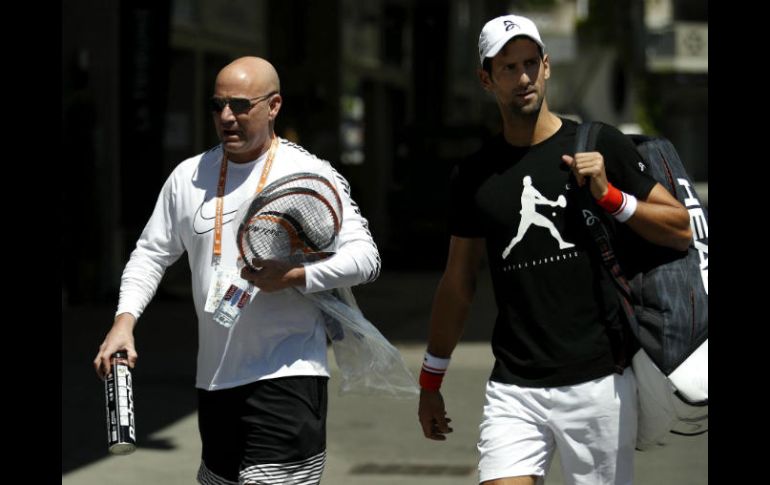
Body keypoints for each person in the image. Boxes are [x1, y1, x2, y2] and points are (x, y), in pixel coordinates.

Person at [417, 14, 692, 485]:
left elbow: (679, 227)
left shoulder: (599, 142)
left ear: (546, 67)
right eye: (508, 68)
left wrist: (611, 196)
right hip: (514, 386)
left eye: (530, 64)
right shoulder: (474, 174)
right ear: (487, 79)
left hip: (598, 383)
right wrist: (431, 379)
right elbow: (458, 282)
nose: (522, 77)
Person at [94, 56, 381, 485]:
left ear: (274, 106)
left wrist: (293, 276)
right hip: (215, 382)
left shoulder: (310, 175)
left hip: (288, 375)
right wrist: (124, 321)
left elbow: (365, 259)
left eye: (241, 105)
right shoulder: (188, 176)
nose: (227, 117)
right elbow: (151, 254)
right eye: (218, 105)